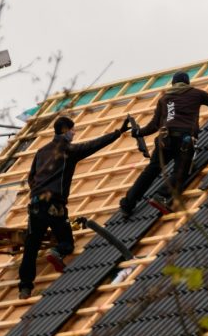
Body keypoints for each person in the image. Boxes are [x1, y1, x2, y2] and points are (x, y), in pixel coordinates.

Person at [19, 114, 130, 299]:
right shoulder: (68, 150)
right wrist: (118, 133)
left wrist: (39, 192)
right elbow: (94, 145)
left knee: (31, 246)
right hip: (55, 205)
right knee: (67, 242)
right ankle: (57, 252)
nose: (74, 134)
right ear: (65, 131)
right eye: (72, 130)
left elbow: (31, 178)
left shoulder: (41, 152)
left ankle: (24, 288)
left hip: (36, 205)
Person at [119, 71, 208, 216]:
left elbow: (154, 125)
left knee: (151, 170)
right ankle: (161, 196)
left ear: (173, 84)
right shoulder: (196, 94)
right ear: (187, 83)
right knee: (181, 171)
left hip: (164, 140)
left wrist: (138, 132)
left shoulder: (164, 99)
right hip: (183, 140)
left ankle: (127, 204)